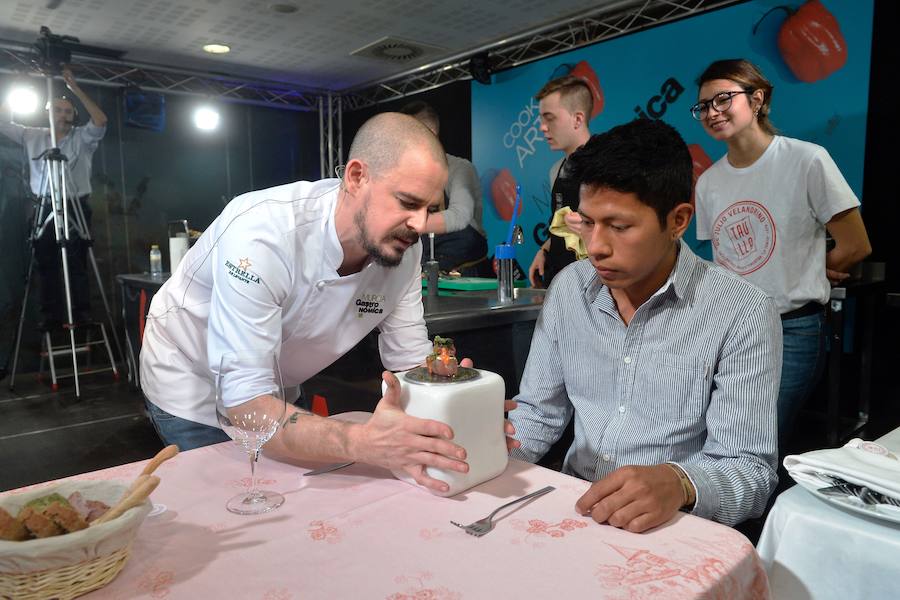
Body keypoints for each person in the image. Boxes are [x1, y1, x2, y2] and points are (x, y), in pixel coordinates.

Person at [141, 113, 515, 494]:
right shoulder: (263, 234)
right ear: (356, 177)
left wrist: (461, 407)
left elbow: (409, 364)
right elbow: (245, 405)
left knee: (289, 503)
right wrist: (361, 442)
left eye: (431, 209)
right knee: (228, 505)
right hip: (192, 379)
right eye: (407, 202)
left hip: (277, 384)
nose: (420, 224)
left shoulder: (403, 250)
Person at [509, 118, 782, 532]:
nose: (596, 247)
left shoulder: (741, 312)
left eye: (619, 227)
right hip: (573, 508)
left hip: (667, 525)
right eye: (586, 222)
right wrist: (485, 449)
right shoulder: (569, 289)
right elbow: (538, 413)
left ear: (678, 220)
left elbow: (750, 471)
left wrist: (680, 483)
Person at [691, 59, 871, 450]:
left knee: (759, 438)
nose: (712, 112)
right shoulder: (707, 183)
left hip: (792, 328)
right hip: (730, 330)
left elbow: (856, 244)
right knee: (718, 432)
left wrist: (811, 271)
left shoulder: (807, 159)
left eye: (723, 98)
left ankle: (757, 511)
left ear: (757, 99)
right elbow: (724, 260)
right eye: (704, 106)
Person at [0, 68, 107, 329]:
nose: (63, 115)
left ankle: (81, 314)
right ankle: (50, 316)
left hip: (75, 205)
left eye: (68, 111)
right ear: (48, 114)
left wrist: (76, 89)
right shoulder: (32, 135)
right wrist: (17, 83)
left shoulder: (83, 138)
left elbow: (101, 120)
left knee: (77, 262)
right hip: (45, 204)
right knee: (45, 262)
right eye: (58, 110)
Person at [398, 101, 488, 272]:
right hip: (426, 268)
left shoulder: (460, 168)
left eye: (408, 134)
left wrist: (404, 223)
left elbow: (460, 216)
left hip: (467, 272)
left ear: (431, 134)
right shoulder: (406, 175)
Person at [528, 75, 592, 288]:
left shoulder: (604, 167)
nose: (543, 127)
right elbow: (562, 225)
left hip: (592, 280)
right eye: (541, 119)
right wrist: (544, 250)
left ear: (578, 119)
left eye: (550, 118)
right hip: (560, 278)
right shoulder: (557, 169)